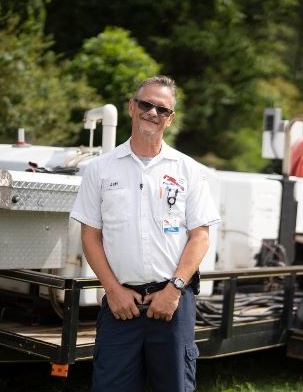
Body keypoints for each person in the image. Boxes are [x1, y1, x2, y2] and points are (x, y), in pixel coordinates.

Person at [70, 75, 220, 392]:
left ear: (170, 118)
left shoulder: (188, 170)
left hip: (172, 304)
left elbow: (200, 237)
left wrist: (174, 289)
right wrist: (112, 290)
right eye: (145, 104)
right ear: (132, 107)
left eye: (161, 109)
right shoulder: (100, 169)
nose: (152, 112)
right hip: (120, 304)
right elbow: (90, 236)